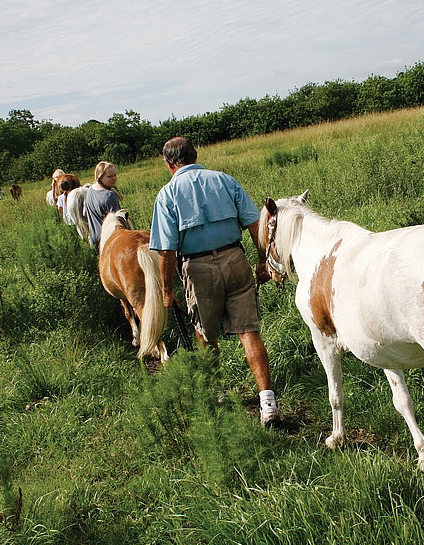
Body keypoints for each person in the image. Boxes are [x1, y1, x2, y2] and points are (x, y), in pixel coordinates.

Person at [149, 136, 281, 427]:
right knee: (249, 332)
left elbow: (166, 250)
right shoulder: (225, 180)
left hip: (198, 268)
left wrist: (166, 290)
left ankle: (218, 393)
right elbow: (255, 223)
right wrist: (261, 261)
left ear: (168, 163)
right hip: (235, 259)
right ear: (195, 155)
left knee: (205, 335)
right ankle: (268, 403)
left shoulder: (168, 194)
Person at [84, 161, 121, 250]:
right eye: (109, 176)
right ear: (100, 177)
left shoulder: (90, 190)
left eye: (115, 175)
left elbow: (85, 213)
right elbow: (118, 222)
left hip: (94, 239)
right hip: (108, 240)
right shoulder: (109, 196)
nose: (114, 178)